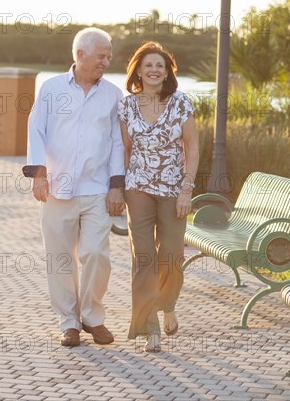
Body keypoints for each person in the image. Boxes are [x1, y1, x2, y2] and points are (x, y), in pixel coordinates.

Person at [24, 27, 125, 348]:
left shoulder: (112, 94)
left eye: (109, 56)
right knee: (60, 258)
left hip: (97, 189)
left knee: (97, 254)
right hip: (57, 187)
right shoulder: (51, 88)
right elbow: (36, 130)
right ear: (79, 54)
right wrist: (38, 174)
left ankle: (92, 317)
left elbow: (117, 142)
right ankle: (68, 321)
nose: (106, 62)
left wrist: (116, 185)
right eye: (101, 56)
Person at [118, 41, 199, 353]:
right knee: (143, 257)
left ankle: (168, 303)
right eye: (148, 65)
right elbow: (125, 150)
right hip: (137, 188)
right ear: (138, 70)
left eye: (159, 66)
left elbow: (192, 148)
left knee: (172, 254)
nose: (153, 70)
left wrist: (186, 190)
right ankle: (150, 326)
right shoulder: (126, 106)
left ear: (167, 73)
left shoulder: (180, 104)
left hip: (173, 190)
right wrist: (118, 188)